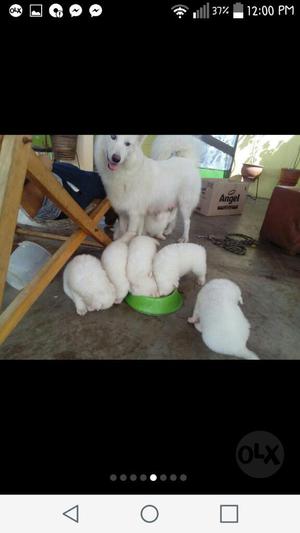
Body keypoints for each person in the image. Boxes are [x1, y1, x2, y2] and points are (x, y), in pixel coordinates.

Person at [21, 155, 117, 226]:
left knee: (83, 175)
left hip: (57, 186)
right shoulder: (18, 173)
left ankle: (109, 210)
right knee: (106, 182)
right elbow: (45, 161)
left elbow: (44, 161)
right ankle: (112, 209)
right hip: (61, 197)